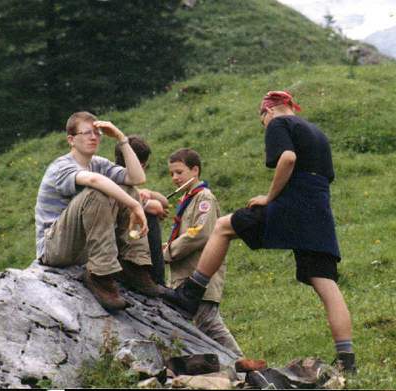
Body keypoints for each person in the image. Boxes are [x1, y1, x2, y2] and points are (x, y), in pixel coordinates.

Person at [163, 91, 356, 372]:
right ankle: (347, 360)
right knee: (325, 281)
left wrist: (269, 197)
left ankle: (191, 291)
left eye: (261, 120)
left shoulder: (279, 124)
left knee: (223, 226)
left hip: (293, 202)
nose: (264, 126)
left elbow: (287, 158)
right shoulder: (317, 133)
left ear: (268, 111)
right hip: (319, 209)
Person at [35, 111, 159, 312]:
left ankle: (134, 266)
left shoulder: (98, 164)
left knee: (128, 189)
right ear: (71, 140)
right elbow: (94, 181)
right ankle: (101, 275)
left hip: (83, 246)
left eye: (97, 133)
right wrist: (135, 206)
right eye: (86, 133)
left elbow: (137, 178)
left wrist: (121, 139)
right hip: (54, 248)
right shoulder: (61, 166)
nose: (93, 137)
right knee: (96, 192)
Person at [160, 148, 243, 357]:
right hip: (183, 279)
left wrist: (168, 252)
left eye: (179, 172)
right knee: (200, 327)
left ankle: (245, 367)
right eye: (172, 174)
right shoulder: (187, 199)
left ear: (195, 170)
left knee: (209, 325)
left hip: (200, 279)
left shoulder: (204, 198)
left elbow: (199, 234)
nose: (175, 178)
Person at [115, 135, 169, 285]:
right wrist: (148, 204)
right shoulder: (117, 183)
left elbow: (163, 202)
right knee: (148, 216)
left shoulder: (124, 181)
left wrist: (149, 194)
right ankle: (154, 277)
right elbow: (157, 207)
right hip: (117, 248)